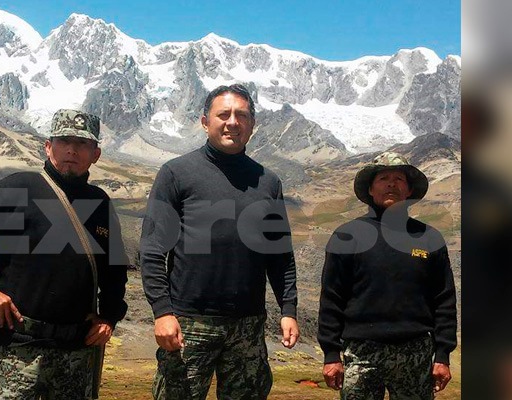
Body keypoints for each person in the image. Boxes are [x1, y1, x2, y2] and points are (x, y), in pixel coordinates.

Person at [140, 84, 299, 400]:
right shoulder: (176, 173)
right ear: (204, 122)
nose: (232, 122)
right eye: (223, 114)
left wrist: (288, 309)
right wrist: (162, 311)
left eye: (242, 115)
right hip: (189, 322)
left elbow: (280, 255)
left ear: (252, 125)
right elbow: (153, 248)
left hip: (248, 325)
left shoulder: (268, 182)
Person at [0, 109, 129, 399]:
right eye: (63, 142)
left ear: (96, 154)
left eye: (82, 143)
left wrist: (109, 317)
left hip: (76, 352)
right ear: (48, 147)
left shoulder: (99, 203)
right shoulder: (20, 188)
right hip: (17, 347)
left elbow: (115, 270)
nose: (72, 150)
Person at [317, 152, 457, 399]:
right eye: (383, 178)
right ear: (371, 189)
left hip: (416, 353)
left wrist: (442, 355)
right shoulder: (347, 236)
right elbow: (331, 299)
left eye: (399, 179)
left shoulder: (429, 238)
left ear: (409, 190)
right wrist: (331, 354)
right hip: (361, 353)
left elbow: (444, 300)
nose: (391, 184)